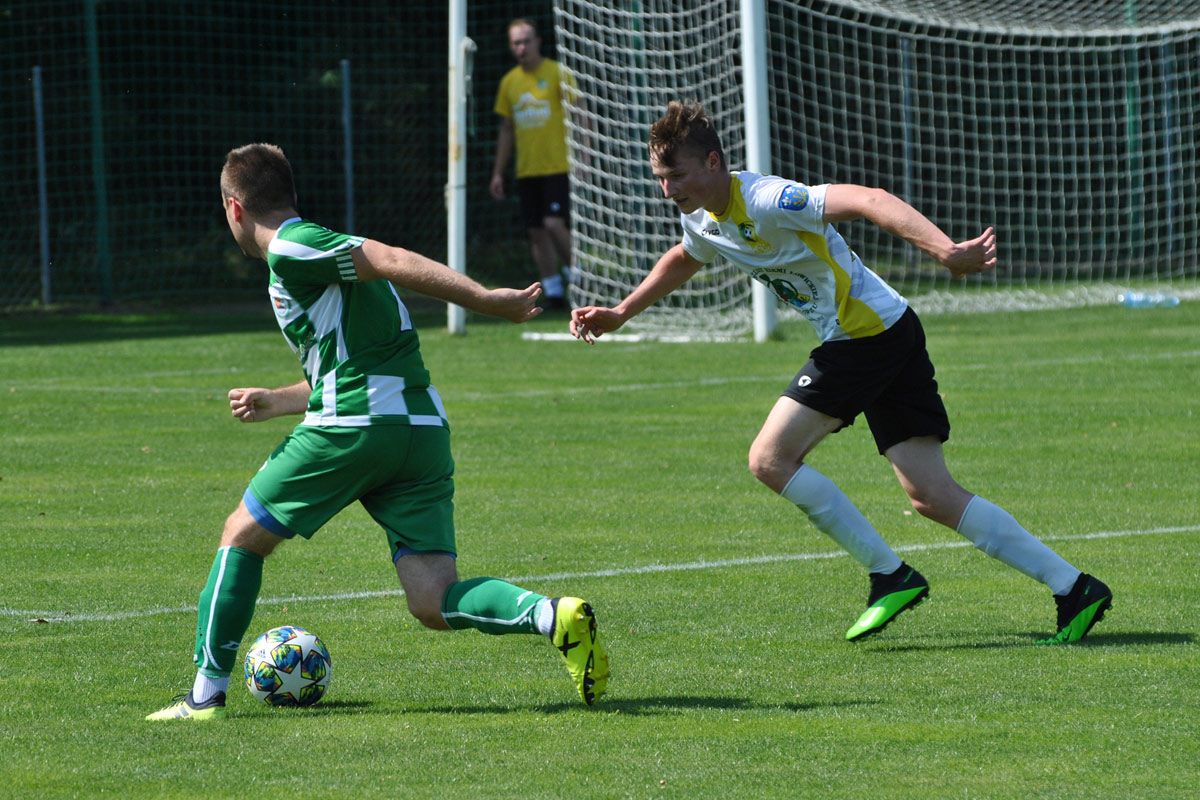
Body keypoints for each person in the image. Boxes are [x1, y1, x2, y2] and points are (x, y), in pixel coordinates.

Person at [569, 100, 1112, 645]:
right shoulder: (701, 216)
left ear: (713, 162)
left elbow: (870, 199)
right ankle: (1074, 588)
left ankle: (890, 576)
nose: (667, 190)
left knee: (768, 459)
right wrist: (622, 312)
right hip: (888, 330)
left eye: (676, 175)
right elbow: (687, 255)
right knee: (931, 495)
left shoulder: (767, 198)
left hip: (864, 338)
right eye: (660, 178)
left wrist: (945, 251)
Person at [147, 143, 609, 721]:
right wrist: (283, 400)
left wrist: (488, 300)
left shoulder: (292, 244)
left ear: (234, 208)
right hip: (419, 429)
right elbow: (360, 361)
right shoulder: (325, 256)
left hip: (355, 427)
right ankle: (553, 615)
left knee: (241, 535)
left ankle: (204, 696)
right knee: (433, 599)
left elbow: (388, 256)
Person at [490, 17, 576, 311]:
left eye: (526, 41)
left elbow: (581, 115)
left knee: (554, 224)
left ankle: (580, 278)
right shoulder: (509, 82)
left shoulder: (557, 73)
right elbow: (506, 130)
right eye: (516, 43)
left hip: (558, 166)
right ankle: (553, 291)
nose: (522, 47)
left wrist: (585, 157)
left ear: (538, 41)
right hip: (527, 170)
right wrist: (498, 173)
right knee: (537, 232)